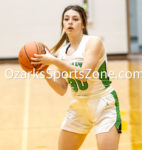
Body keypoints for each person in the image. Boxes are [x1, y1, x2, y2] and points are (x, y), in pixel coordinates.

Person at [31, 5, 121, 150]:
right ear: (63, 24)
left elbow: (84, 75)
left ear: (83, 24)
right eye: (66, 19)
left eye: (75, 19)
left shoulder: (93, 42)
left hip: (103, 104)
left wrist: (54, 61)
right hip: (78, 106)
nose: (70, 22)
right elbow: (61, 89)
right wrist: (44, 71)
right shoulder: (61, 52)